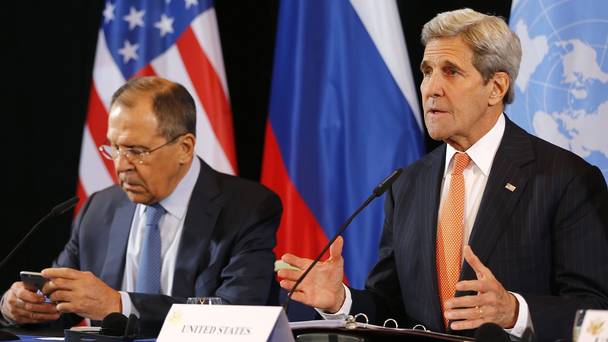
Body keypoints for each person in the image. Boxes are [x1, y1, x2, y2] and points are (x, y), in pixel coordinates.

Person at [277, 8, 608, 341]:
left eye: (450, 72)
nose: (431, 88)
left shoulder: (564, 178)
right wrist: (341, 301)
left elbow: (596, 311)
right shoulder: (406, 184)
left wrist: (515, 311)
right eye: (427, 71)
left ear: (496, 87)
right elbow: (392, 307)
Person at [1, 76, 282, 330]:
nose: (122, 165)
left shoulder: (247, 209)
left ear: (184, 148)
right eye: (115, 148)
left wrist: (119, 305)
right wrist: (23, 307)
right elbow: (63, 307)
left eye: (137, 151)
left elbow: (238, 313)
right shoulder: (98, 209)